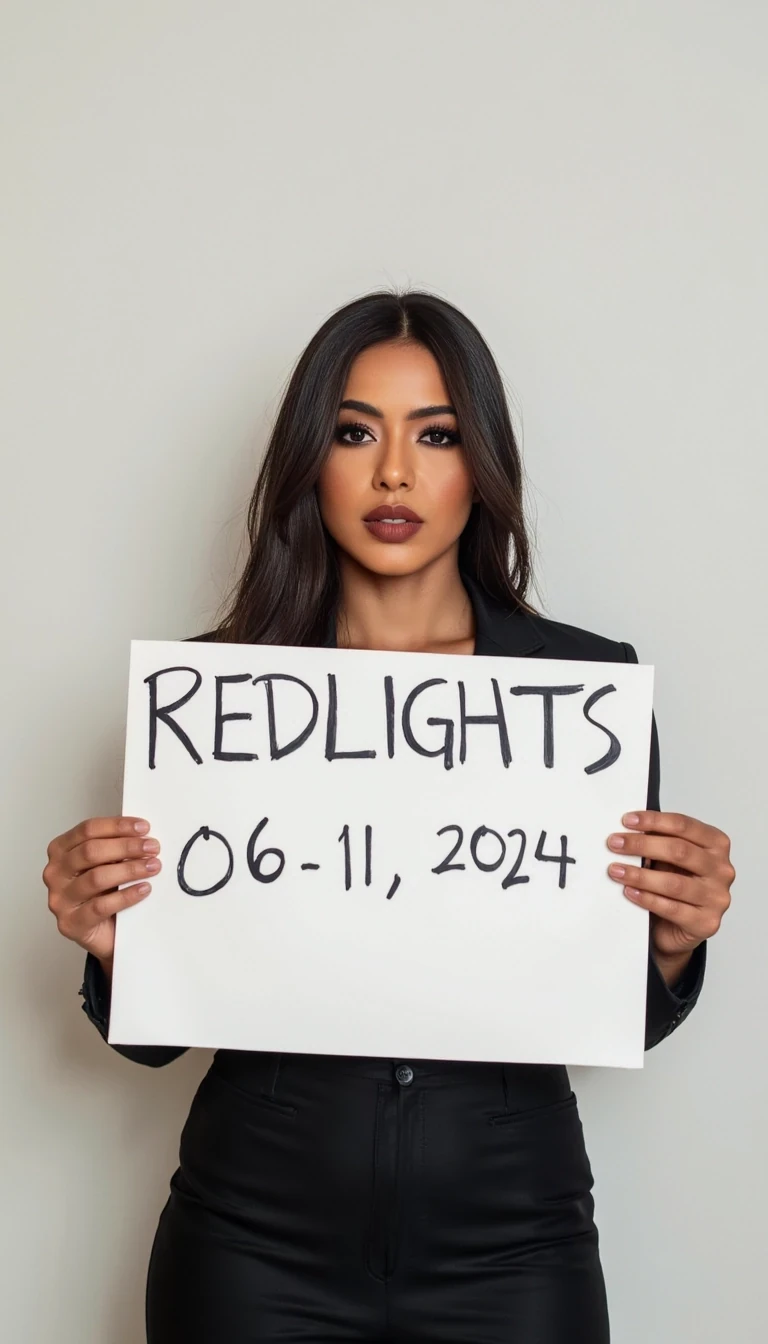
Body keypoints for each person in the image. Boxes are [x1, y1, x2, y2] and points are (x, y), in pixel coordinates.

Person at [43, 290, 734, 1343]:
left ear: (481, 464)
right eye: (355, 431)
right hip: (252, 1238)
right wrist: (110, 945)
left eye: (438, 434)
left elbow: (609, 1012)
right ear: (308, 460)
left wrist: (674, 947)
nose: (394, 473)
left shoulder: (584, 690)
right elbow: (156, 1038)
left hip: (515, 1239)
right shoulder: (215, 699)